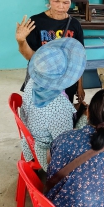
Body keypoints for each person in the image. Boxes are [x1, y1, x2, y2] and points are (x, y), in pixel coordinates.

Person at [20, 38, 87, 171]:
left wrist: (74, 109)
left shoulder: (32, 82)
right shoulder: (59, 108)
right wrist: (85, 117)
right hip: (47, 153)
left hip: (33, 136)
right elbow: (66, 144)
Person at [16, 0, 85, 103]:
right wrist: (21, 41)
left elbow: (77, 60)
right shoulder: (36, 22)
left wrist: (79, 86)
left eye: (66, 3)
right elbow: (30, 56)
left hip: (66, 83)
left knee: (63, 118)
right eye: (56, 1)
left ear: (71, 2)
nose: (60, 7)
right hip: (40, 83)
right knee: (39, 117)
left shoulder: (75, 25)